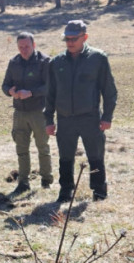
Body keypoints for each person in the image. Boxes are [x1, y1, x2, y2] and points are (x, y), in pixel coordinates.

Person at [44, 20, 118, 202]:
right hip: (65, 119)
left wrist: (107, 117)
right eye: (66, 39)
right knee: (65, 157)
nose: (70, 42)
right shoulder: (56, 62)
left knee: (95, 156)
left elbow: (109, 91)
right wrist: (48, 119)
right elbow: (50, 93)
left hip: (90, 118)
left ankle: (99, 190)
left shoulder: (98, 59)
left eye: (74, 38)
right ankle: (66, 190)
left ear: (84, 37)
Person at [1, 32, 52, 195]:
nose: (23, 50)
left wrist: (31, 92)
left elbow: (50, 87)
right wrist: (9, 91)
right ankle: (23, 182)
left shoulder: (44, 61)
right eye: (20, 47)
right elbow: (5, 84)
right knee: (21, 148)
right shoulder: (14, 62)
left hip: (39, 111)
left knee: (42, 147)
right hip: (19, 113)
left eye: (27, 46)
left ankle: (46, 180)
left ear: (34, 45)